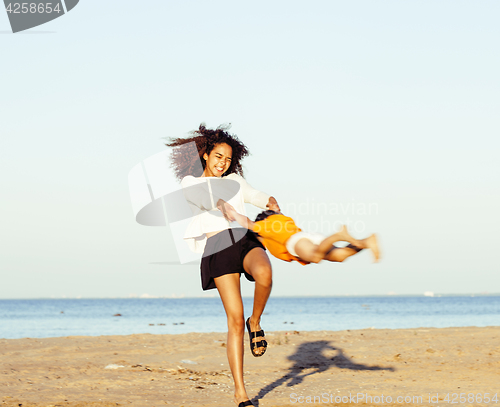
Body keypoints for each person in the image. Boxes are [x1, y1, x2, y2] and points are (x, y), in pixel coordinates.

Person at [166, 124, 278, 407]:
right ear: (206, 155)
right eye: (218, 157)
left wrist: (270, 202)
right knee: (234, 320)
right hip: (218, 246)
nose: (222, 163)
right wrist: (224, 207)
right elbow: (205, 199)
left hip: (245, 240)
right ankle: (241, 393)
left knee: (265, 274)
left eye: (227, 159)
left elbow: (255, 196)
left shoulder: (235, 181)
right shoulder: (190, 183)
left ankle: (257, 322)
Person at [223, 208, 381, 264]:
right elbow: (276, 212)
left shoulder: (265, 227)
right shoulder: (282, 222)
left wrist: (233, 214)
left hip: (296, 243)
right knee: (340, 256)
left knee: (316, 257)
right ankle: (366, 242)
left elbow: (249, 224)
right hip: (310, 237)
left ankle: (339, 235)